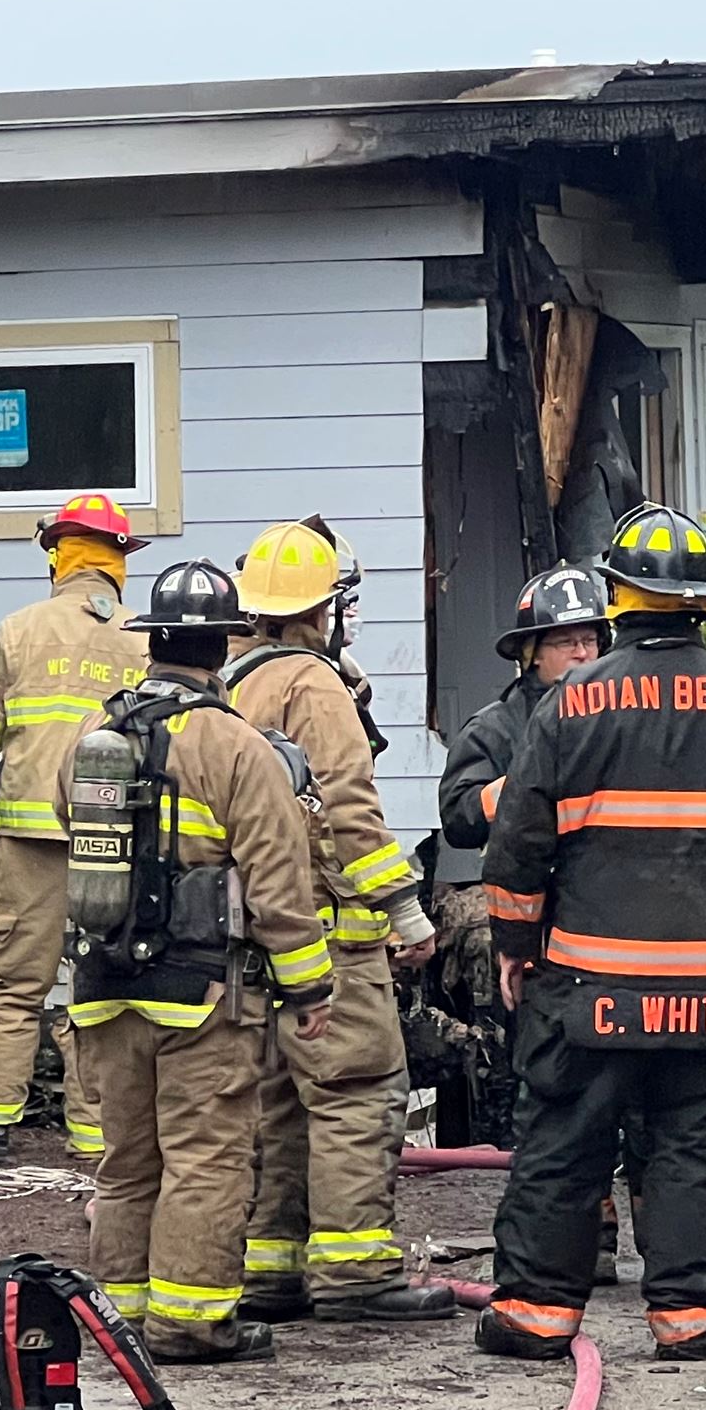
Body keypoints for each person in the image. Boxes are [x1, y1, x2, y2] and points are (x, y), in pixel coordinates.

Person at [476, 504, 706, 1362]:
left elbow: (519, 845)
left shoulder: (571, 704)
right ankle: (696, 1319)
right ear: (699, 599)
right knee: (690, 1149)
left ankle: (534, 1318)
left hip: (590, 983)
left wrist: (515, 948)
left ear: (619, 596)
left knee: (565, 1144)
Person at [66, 560, 338, 1363]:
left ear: (153, 642)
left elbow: (69, 833)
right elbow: (278, 881)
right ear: (222, 646)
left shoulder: (95, 736)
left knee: (125, 1162)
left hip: (101, 985)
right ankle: (189, 1322)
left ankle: (117, 1322)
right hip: (201, 993)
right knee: (206, 1159)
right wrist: (308, 984)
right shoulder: (234, 746)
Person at [226, 519, 454, 1324]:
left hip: (256, 939)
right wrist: (406, 911)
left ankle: (273, 1270)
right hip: (333, 938)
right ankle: (358, 1271)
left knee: (278, 1104)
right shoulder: (313, 684)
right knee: (357, 1092)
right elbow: (349, 811)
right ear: (324, 608)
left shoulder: (231, 681)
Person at [0, 493, 148, 1159]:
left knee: (6, 982)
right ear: (117, 558)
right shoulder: (149, 636)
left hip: (31, 842)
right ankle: (98, 1135)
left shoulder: (18, 630)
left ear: (59, 554)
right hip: (121, 844)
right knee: (105, 984)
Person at [436, 564, 624, 1282]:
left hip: (611, 929)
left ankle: (604, 1220)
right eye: (565, 640)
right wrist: (525, 792)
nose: (581, 654)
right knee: (550, 1086)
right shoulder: (500, 727)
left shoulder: (624, 714)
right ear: (530, 651)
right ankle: (578, 1228)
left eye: (590, 639)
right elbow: (458, 813)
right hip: (535, 935)